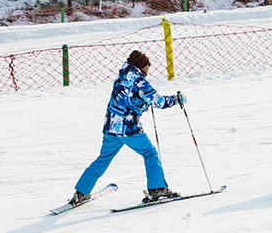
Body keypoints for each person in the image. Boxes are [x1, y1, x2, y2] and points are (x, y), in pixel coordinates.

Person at [69, 50, 186, 205]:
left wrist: (142, 105)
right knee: (149, 153)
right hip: (129, 129)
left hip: (111, 127)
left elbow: (128, 99)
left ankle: (81, 192)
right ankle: (157, 189)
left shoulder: (121, 77)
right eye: (148, 65)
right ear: (142, 65)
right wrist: (176, 99)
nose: (149, 68)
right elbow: (159, 102)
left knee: (103, 159)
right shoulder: (140, 81)